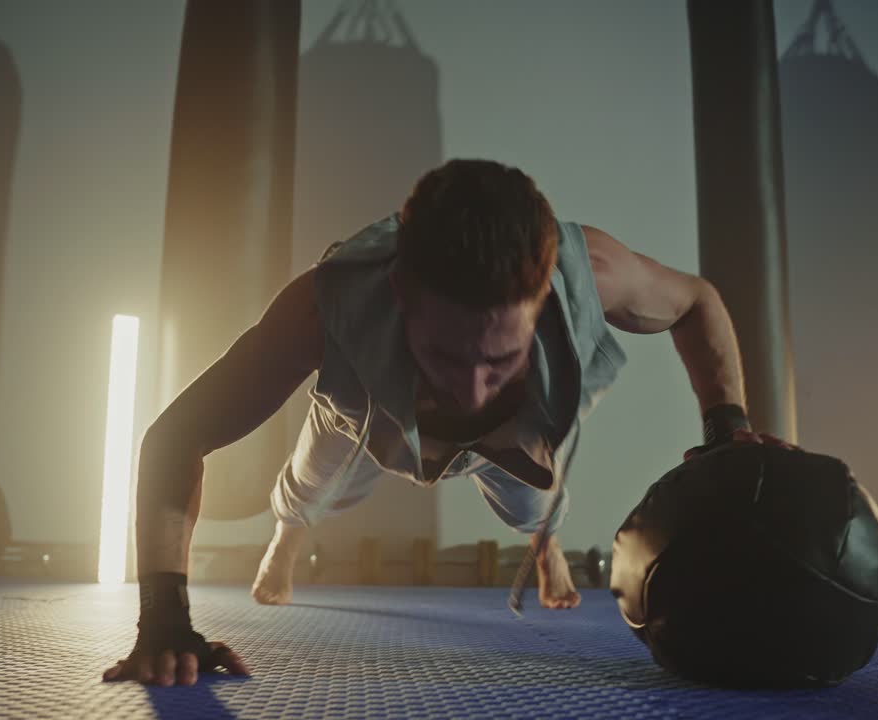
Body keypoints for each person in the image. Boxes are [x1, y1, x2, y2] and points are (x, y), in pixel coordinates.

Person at [103, 158, 790, 686]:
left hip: (515, 436)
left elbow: (699, 301)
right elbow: (174, 435)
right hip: (361, 418)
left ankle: (542, 545)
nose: (468, 389)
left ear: (546, 297)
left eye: (499, 358)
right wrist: (164, 617)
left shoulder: (598, 271)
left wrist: (727, 427)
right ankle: (287, 536)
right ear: (401, 292)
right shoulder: (325, 306)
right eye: (444, 353)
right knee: (311, 484)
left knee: (533, 501)